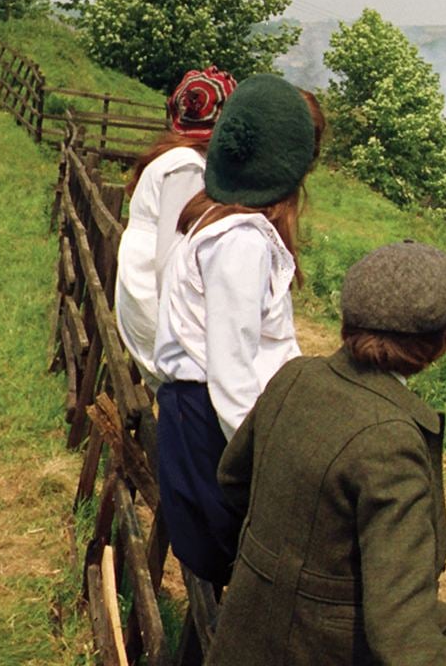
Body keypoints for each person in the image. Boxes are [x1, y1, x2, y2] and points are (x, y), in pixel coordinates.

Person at [206, 242, 446, 666]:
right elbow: (400, 638)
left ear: (350, 321)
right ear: (440, 342)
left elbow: (232, 481)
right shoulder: (390, 440)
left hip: (251, 616)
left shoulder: (294, 376)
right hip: (313, 643)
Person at [152, 73, 319, 586]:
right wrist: (263, 464)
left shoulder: (216, 219)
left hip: (201, 416)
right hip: (213, 425)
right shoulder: (240, 244)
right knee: (248, 569)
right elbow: (230, 372)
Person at [115, 65, 237, 391]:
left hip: (141, 284)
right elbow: (170, 255)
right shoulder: (186, 167)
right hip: (151, 293)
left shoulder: (174, 158)